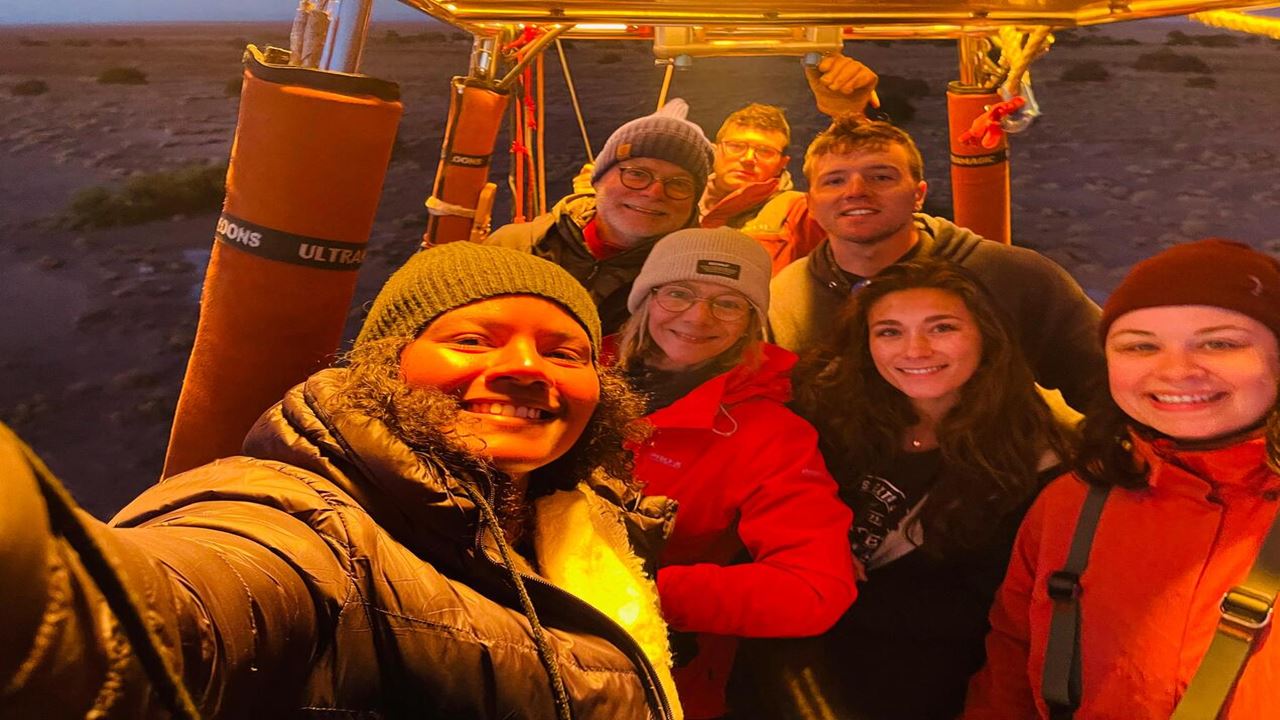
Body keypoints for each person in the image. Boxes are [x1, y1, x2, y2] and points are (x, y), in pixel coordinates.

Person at [0, 242, 686, 720]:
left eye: (563, 351)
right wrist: (36, 574)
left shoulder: (579, 514)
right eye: (474, 340)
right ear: (388, 364)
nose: (528, 369)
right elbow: (169, 615)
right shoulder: (308, 525)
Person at [732, 260, 1073, 719]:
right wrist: (810, 549)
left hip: (918, 688)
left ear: (987, 337)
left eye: (942, 328)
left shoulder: (1036, 463)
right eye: (889, 332)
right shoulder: (830, 412)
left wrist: (826, 584)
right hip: (780, 668)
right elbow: (757, 495)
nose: (916, 349)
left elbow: (993, 611)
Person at [964, 239, 1280, 719]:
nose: (1176, 371)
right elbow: (1009, 669)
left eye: (1220, 342)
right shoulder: (1069, 506)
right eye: (1140, 346)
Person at [611, 227, 858, 719]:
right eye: (679, 292)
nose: (698, 317)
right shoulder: (573, 373)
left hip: (651, 679)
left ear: (752, 321)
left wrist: (640, 594)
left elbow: (814, 589)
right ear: (646, 298)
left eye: (728, 303)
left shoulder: (769, 432)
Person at [762, 117, 1106, 412]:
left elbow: (1106, 384)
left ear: (919, 193)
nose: (855, 191)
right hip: (833, 487)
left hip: (1001, 479)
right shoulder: (787, 296)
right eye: (834, 181)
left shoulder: (1011, 277)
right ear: (812, 203)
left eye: (881, 177)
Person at [484, 98, 716, 336]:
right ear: (598, 179)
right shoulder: (513, 248)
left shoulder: (704, 283)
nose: (654, 192)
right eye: (637, 174)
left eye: (679, 184)